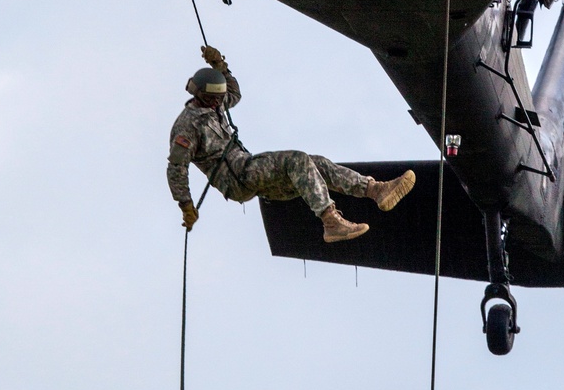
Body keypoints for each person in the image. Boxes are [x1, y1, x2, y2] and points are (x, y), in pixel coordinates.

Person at [167, 45, 416, 242]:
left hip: (250, 174)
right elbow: (176, 169)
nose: (219, 103)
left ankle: (375, 190)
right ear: (200, 95)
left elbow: (234, 93)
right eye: (214, 99)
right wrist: (186, 206)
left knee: (313, 164)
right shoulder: (187, 126)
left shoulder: (213, 101)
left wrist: (219, 65)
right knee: (296, 160)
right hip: (237, 179)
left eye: (219, 99)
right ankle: (331, 222)